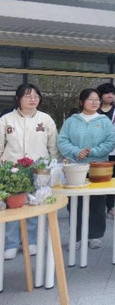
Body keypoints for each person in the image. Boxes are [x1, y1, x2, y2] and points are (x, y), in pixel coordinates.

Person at [1, 83, 59, 260]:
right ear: (18, 98)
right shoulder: (6, 120)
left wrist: (53, 167)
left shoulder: (46, 119)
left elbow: (53, 147)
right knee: (13, 207)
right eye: (28, 96)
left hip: (38, 169)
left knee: (35, 204)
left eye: (36, 96)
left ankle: (31, 241)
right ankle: (11, 243)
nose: (33, 99)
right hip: (13, 170)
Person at [59, 88, 115, 249]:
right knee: (75, 202)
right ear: (81, 101)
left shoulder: (104, 121)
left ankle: (95, 235)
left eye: (97, 99)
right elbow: (62, 141)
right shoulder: (71, 121)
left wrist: (93, 151)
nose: (95, 102)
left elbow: (111, 142)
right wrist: (76, 152)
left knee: (97, 201)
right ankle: (76, 236)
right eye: (91, 99)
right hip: (75, 167)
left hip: (99, 167)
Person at [96, 82, 115, 219]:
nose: (110, 95)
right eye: (107, 93)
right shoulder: (94, 109)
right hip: (95, 152)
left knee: (112, 180)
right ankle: (96, 208)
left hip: (113, 151)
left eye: (113, 93)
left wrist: (107, 144)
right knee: (96, 179)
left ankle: (111, 207)